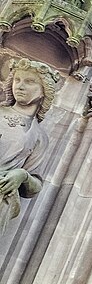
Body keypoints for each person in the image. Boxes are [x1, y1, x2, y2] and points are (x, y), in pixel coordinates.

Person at [0, 57, 59, 231]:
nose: (20, 86)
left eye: (29, 81)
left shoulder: (39, 136)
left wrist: (22, 175)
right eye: (17, 80)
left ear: (43, 91)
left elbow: (35, 186)